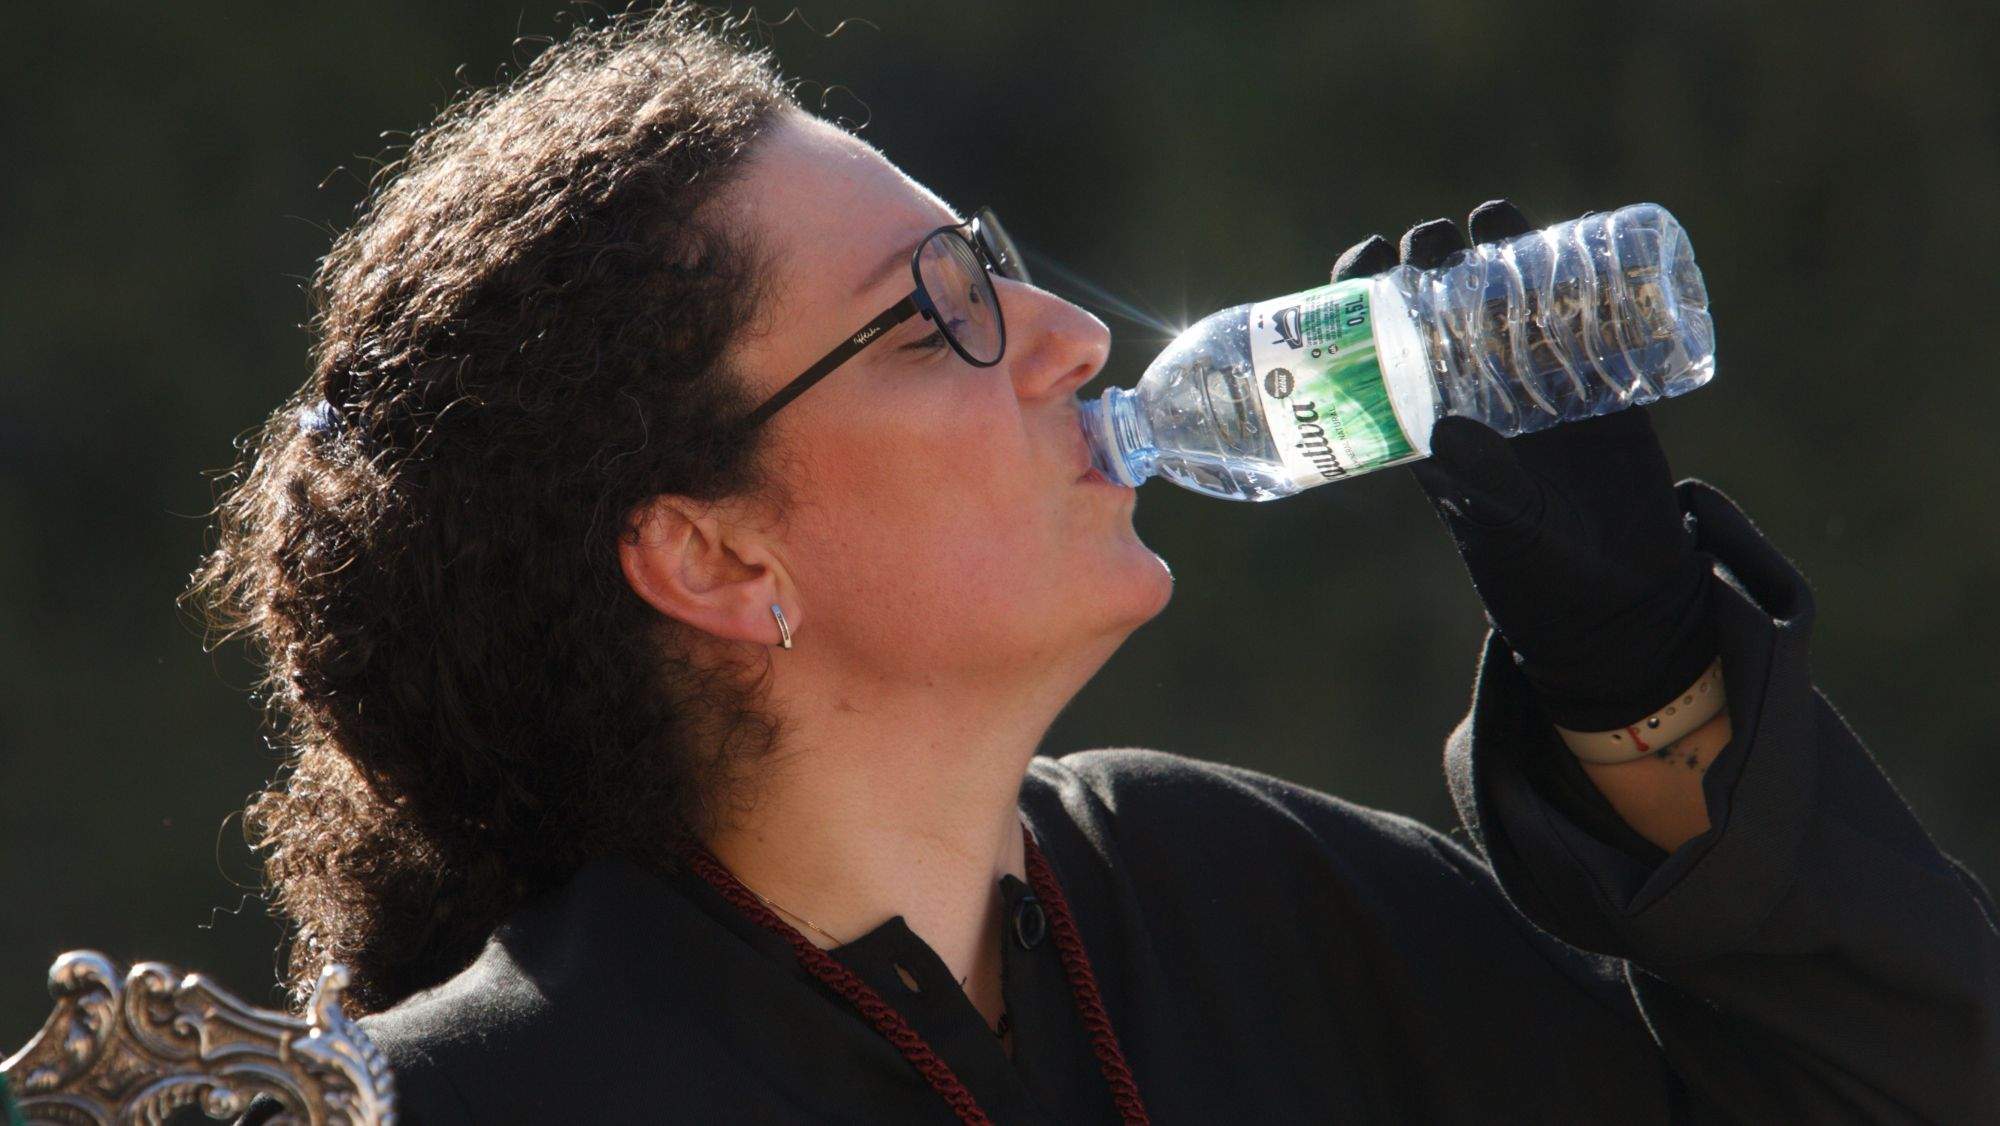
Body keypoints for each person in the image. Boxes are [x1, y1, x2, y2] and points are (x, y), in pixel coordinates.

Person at [200, 8, 1997, 1123]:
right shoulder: (476, 1102)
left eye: (996, 263)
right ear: (710, 550)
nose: (1066, 331)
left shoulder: (1235, 900)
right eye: (939, 317)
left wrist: (1643, 677)